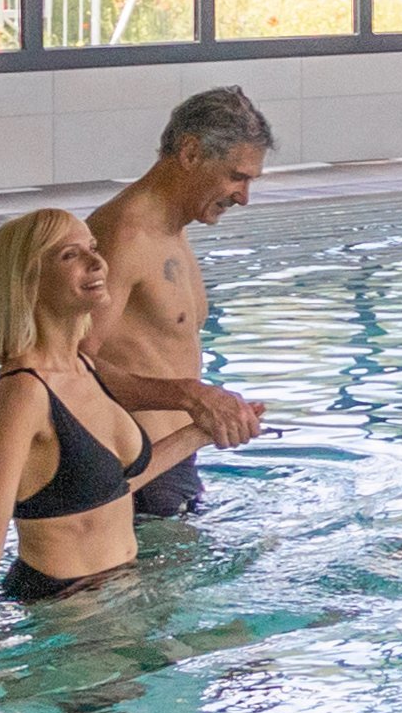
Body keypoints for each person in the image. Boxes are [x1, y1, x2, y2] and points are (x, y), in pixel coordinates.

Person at [0, 207, 178, 636]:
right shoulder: (23, 392)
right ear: (29, 282)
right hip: (63, 608)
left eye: (93, 249)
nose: (97, 262)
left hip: (120, 591)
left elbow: (110, 486)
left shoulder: (83, 368)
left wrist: (201, 433)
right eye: (69, 255)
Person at [79, 84, 277, 522]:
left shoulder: (171, 227)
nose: (244, 197)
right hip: (132, 474)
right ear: (190, 153)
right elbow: (69, 368)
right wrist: (191, 396)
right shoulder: (125, 235)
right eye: (236, 176)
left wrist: (201, 408)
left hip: (169, 464)